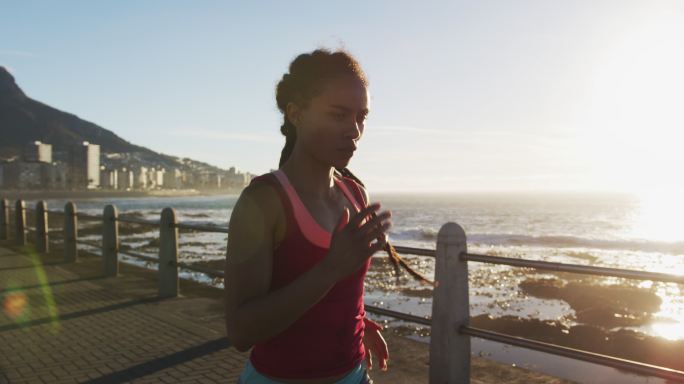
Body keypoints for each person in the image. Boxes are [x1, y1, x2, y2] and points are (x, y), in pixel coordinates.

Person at [225, 48, 392, 384]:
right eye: (338, 115)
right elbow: (241, 331)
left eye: (362, 117)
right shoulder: (264, 201)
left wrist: (359, 324)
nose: (355, 130)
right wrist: (330, 269)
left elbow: (342, 294)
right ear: (296, 113)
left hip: (354, 375)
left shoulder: (355, 194)